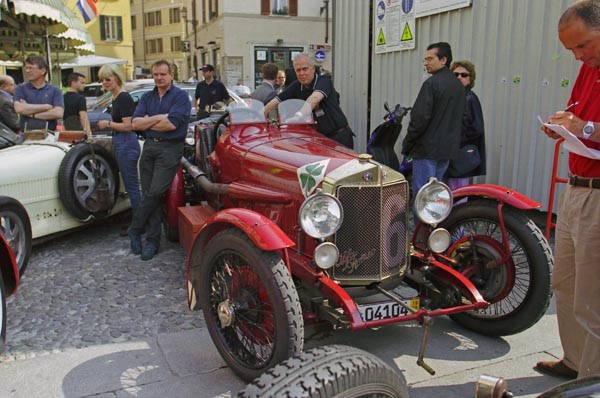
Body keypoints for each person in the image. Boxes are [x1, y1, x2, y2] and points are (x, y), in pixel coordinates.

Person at [537, 0, 600, 380]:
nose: (578, 56)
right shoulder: (588, 70)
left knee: (592, 295)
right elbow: (578, 114)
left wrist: (584, 128)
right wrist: (561, 124)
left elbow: (588, 125)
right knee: (567, 284)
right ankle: (576, 360)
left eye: (584, 45)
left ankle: (591, 380)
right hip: (577, 190)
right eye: (572, 50)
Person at [129, 60, 191, 261]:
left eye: (162, 74)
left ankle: (135, 228)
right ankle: (153, 241)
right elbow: (135, 123)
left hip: (170, 148)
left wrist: (149, 120)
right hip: (149, 147)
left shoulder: (181, 97)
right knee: (149, 194)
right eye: (155, 74)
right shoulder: (147, 96)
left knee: (156, 192)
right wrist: (159, 118)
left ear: (172, 75)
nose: (158, 78)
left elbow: (171, 125)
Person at [401, 42, 466, 199]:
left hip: (427, 150)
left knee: (423, 196)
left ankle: (423, 224)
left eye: (430, 59)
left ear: (443, 60)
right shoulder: (458, 86)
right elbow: (463, 118)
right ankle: (436, 224)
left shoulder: (431, 84)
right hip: (446, 151)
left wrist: (408, 143)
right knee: (436, 195)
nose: (425, 63)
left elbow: (419, 118)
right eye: (425, 59)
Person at [264, 53, 354, 149]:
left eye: (305, 69)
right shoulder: (296, 85)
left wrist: (298, 116)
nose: (302, 73)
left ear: (313, 69)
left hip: (339, 137)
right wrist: (260, 115)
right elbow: (276, 101)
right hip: (321, 139)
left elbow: (314, 99)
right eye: (298, 70)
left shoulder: (324, 81)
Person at [96, 64, 142, 236]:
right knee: (131, 187)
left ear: (117, 77)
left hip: (126, 143)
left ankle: (138, 225)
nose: (105, 83)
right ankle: (138, 223)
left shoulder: (123, 98)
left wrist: (107, 124)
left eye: (108, 79)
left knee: (133, 187)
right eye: (102, 80)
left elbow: (128, 125)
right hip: (122, 142)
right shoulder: (117, 97)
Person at [446, 60, 486, 189]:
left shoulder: (469, 98)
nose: (459, 77)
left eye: (464, 75)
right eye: (455, 74)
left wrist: (456, 139)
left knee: (458, 192)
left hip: (461, 154)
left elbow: (477, 128)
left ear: (470, 79)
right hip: (450, 153)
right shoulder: (454, 97)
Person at [14, 55, 63, 132]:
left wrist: (31, 114)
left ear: (42, 71)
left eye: (31, 68)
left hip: (49, 135)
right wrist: (46, 107)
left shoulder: (55, 90)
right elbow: (19, 109)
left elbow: (58, 113)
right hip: (26, 135)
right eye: (26, 68)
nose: (27, 71)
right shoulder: (20, 88)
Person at [62, 72, 92, 137]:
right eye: (82, 83)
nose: (84, 85)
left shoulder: (62, 97)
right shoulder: (80, 99)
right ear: (73, 83)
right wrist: (89, 135)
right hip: (78, 132)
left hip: (65, 132)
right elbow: (83, 118)